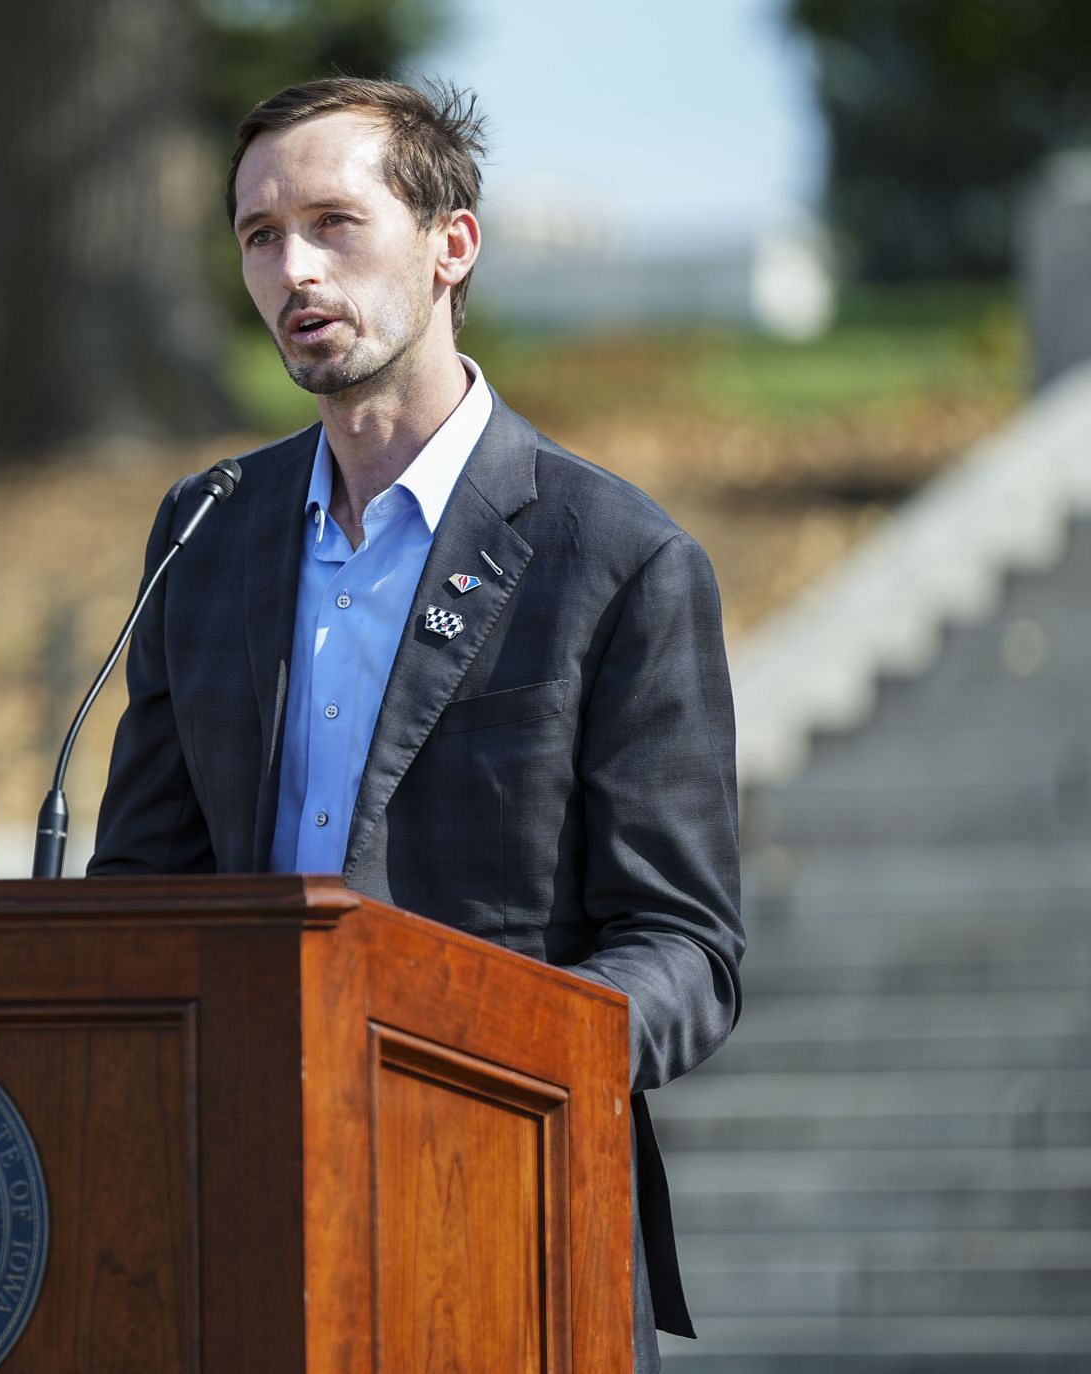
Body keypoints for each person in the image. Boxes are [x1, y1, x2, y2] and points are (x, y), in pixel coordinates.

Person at [87, 77, 743, 1371]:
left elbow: (684, 948)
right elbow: (143, 888)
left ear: (454, 246)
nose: (295, 269)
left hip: (503, 1200)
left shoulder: (619, 557)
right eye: (259, 236)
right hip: (239, 1207)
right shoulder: (204, 531)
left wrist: (485, 1062)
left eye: (336, 222)